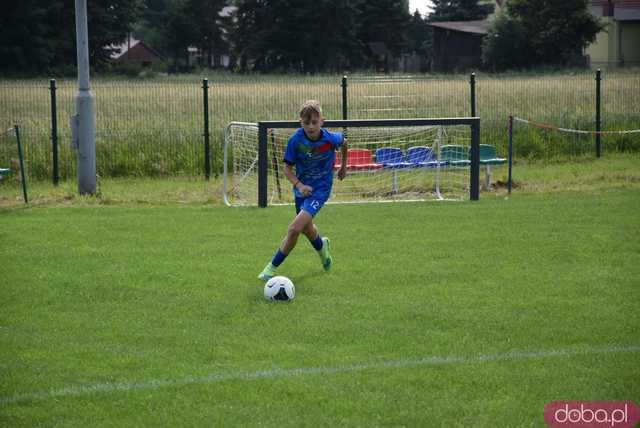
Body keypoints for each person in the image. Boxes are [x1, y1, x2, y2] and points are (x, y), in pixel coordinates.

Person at [258, 100, 348, 281]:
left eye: (314, 122)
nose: (311, 126)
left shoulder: (330, 138)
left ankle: (270, 269)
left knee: (294, 229)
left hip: (320, 190)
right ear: (301, 122)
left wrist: (343, 166)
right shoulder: (296, 141)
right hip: (302, 191)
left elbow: (344, 143)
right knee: (307, 229)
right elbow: (287, 170)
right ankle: (323, 248)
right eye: (306, 123)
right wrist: (299, 185)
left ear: (322, 121)